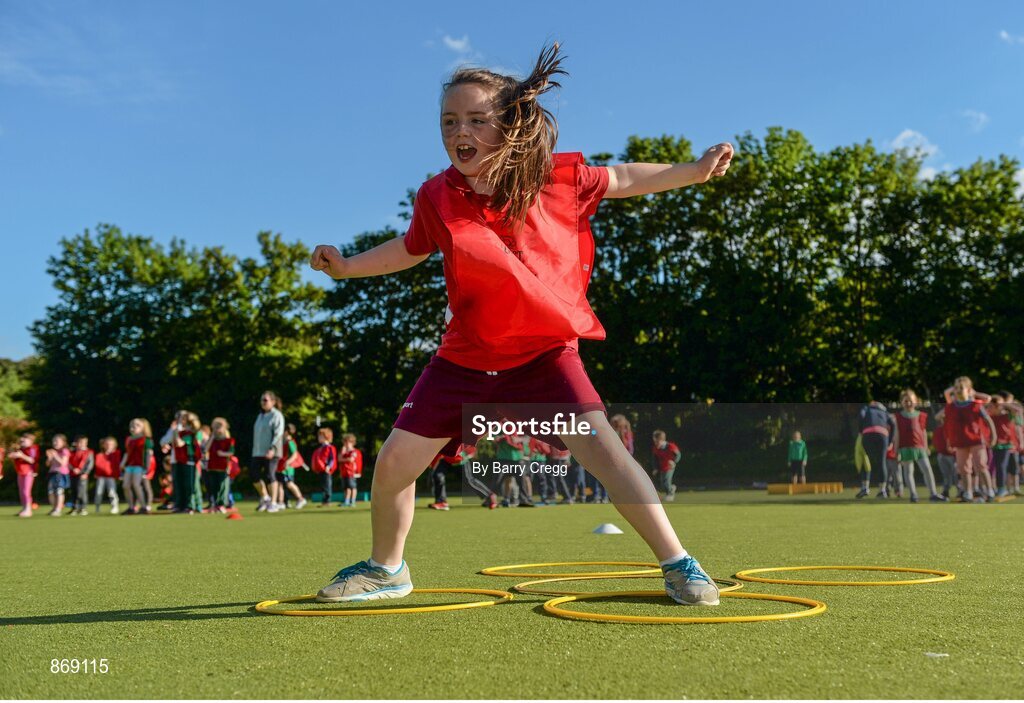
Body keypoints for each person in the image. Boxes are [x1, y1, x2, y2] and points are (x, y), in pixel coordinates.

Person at [308, 43, 733, 605]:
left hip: (544, 359)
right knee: (392, 466)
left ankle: (679, 563)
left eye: (477, 119)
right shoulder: (437, 196)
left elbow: (626, 177)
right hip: (465, 362)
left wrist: (695, 172)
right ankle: (388, 570)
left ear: (509, 126)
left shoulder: (560, 179)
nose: (460, 130)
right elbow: (411, 248)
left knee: (608, 457)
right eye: (449, 120)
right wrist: (347, 267)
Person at [943, 377, 996, 503]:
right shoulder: (951, 407)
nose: (958, 391)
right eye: (956, 388)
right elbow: (949, 425)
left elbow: (988, 420)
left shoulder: (975, 405)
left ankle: (989, 491)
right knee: (963, 468)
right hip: (960, 442)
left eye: (961, 388)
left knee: (981, 465)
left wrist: (993, 436)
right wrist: (949, 440)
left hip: (976, 440)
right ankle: (968, 492)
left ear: (969, 390)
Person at [252, 391, 285, 512]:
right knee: (254, 475)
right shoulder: (260, 416)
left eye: (265, 400)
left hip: (272, 451)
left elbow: (278, 433)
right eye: (262, 400)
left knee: (270, 475)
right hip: (258, 451)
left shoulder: (277, 415)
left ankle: (274, 502)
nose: (263, 402)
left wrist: (272, 449)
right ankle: (265, 497)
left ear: (273, 402)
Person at [857, 400, 896, 499]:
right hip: (882, 435)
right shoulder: (884, 411)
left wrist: (861, 431)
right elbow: (893, 424)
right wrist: (890, 441)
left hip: (867, 434)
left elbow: (861, 416)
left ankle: (865, 487)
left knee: (865, 460)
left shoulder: (866, 409)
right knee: (881, 462)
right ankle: (882, 490)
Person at [120, 418, 154, 514]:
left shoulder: (146, 440)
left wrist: (146, 468)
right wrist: (122, 463)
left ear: (143, 428)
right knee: (125, 485)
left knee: (136, 485)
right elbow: (127, 453)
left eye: (137, 425)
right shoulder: (129, 439)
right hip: (130, 466)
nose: (133, 427)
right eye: (132, 425)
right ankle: (131, 507)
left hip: (140, 466)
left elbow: (148, 454)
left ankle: (143, 506)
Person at [206, 417, 236, 513]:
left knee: (223, 487)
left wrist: (222, 453)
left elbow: (231, 452)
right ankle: (214, 504)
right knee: (213, 487)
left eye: (219, 427)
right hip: (212, 467)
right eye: (215, 427)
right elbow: (205, 449)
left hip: (223, 467)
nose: (217, 429)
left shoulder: (229, 440)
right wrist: (211, 437)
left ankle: (222, 504)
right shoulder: (212, 440)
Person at [275, 424, 308, 510]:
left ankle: (301, 499)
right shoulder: (284, 442)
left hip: (287, 468)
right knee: (280, 484)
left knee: (289, 484)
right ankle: (281, 502)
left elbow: (295, 454)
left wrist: (288, 462)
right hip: (281, 467)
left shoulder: (290, 442)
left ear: (286, 432)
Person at [9, 433, 40, 518]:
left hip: (29, 472)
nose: (22, 442)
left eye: (24, 440)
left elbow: (32, 460)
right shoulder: (21, 449)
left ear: (31, 441)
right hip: (20, 472)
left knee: (26, 491)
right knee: (21, 492)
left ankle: (28, 509)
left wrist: (21, 455)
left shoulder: (33, 448)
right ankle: (24, 508)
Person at [931, 410, 957, 500]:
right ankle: (946, 491)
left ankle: (960, 490)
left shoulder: (950, 427)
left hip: (952, 456)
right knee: (946, 475)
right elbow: (935, 442)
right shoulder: (938, 429)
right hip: (942, 455)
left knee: (955, 474)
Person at [45, 434, 71, 517]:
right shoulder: (52, 451)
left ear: (63, 442)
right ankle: (54, 508)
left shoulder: (65, 451)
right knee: (51, 492)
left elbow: (63, 463)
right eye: (53, 441)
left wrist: (55, 455)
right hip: (52, 473)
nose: (55, 443)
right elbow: (48, 464)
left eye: (57, 441)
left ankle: (58, 509)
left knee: (59, 491)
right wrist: (49, 457)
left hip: (61, 473)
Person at [68, 435, 95, 515]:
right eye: (79, 442)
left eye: (83, 443)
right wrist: (73, 469)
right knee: (74, 491)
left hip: (82, 475)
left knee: (82, 492)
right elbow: (68, 462)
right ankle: (75, 508)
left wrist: (86, 473)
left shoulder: (89, 452)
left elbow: (90, 464)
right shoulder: (72, 452)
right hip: (73, 474)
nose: (81, 444)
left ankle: (83, 508)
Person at [311, 427, 338, 507]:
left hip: (326, 469)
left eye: (320, 436)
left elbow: (332, 458)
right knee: (323, 486)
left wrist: (329, 466)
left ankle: (327, 500)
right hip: (321, 470)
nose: (318, 438)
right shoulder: (320, 448)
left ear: (326, 437)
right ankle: (324, 500)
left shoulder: (329, 448)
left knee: (327, 485)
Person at [651, 430, 681, 502]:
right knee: (662, 482)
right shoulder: (656, 448)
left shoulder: (670, 446)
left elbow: (678, 455)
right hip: (662, 467)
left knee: (666, 481)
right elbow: (655, 459)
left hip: (670, 467)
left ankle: (670, 494)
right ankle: (671, 488)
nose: (656, 443)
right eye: (655, 441)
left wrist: (674, 462)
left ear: (662, 440)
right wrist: (655, 468)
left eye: (657, 441)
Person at [338, 433, 362, 508]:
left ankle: (353, 501)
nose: (346, 444)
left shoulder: (354, 452)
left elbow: (351, 460)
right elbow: (339, 459)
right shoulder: (344, 452)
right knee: (346, 488)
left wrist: (343, 459)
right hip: (344, 472)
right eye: (345, 442)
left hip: (351, 472)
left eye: (348, 442)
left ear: (352, 443)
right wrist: (343, 452)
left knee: (352, 487)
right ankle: (346, 501)